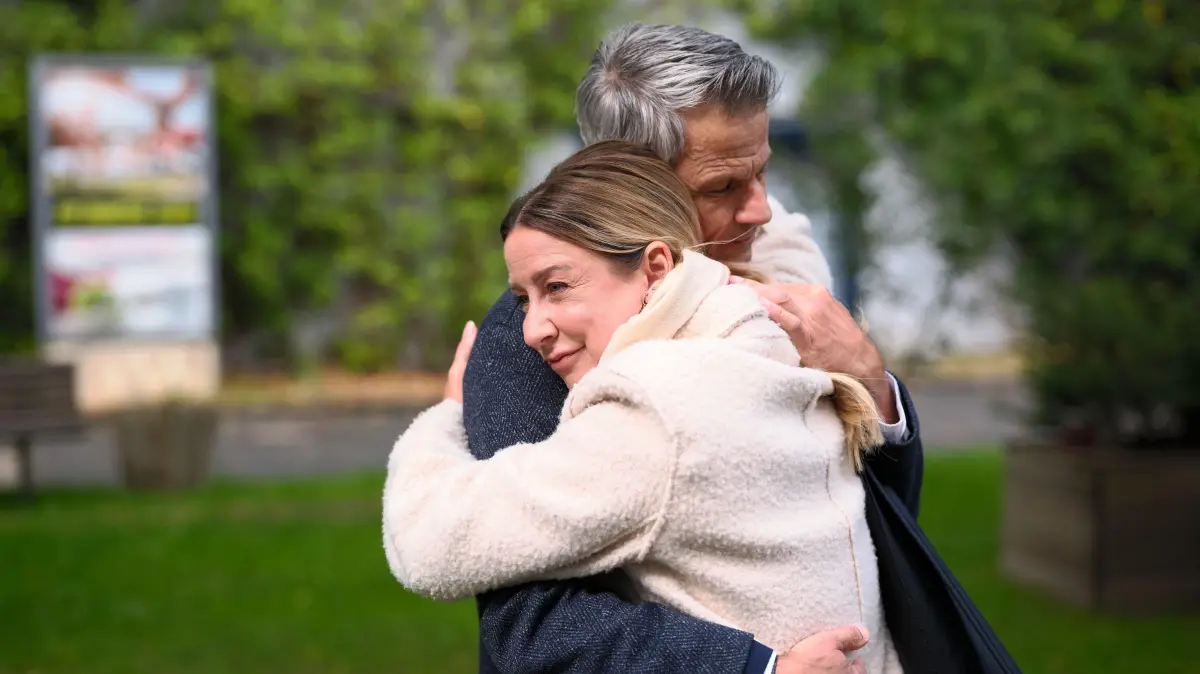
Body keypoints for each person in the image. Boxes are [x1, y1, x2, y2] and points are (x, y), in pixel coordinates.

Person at [454, 23, 1018, 674]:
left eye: (762, 173)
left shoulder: (776, 287)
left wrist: (873, 384)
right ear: (631, 186)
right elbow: (532, 630)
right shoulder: (536, 341)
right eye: (724, 188)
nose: (761, 211)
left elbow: (874, 519)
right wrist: (759, 668)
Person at [383, 140, 901, 673]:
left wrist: (446, 416)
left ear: (655, 266)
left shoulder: (653, 407)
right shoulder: (768, 339)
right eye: (522, 299)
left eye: (557, 287)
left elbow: (428, 543)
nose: (532, 329)